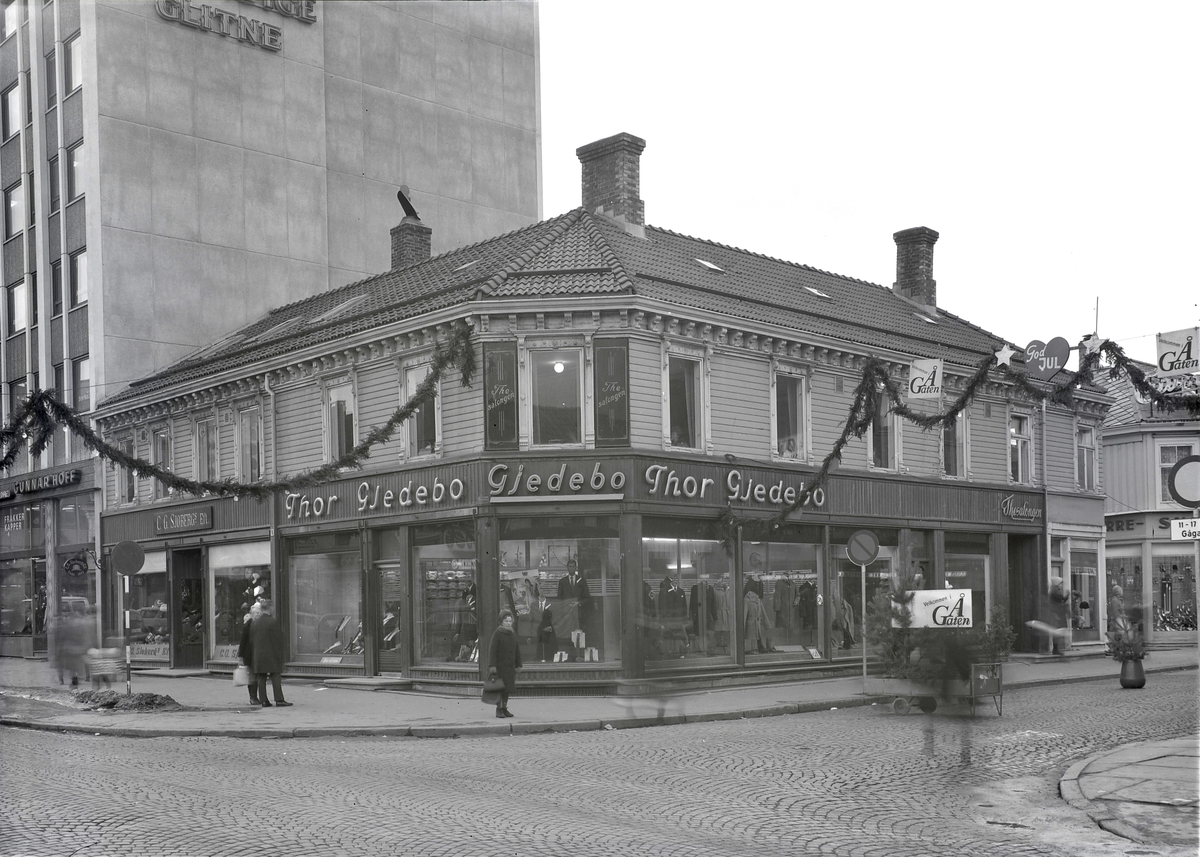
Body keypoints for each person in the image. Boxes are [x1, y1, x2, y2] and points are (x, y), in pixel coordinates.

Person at [247, 599, 291, 707]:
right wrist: (281, 654)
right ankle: (279, 699)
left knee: (261, 678)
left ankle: (264, 700)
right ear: (270, 608)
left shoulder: (255, 622)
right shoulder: (273, 622)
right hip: (271, 654)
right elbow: (279, 639)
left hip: (258, 655)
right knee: (275, 676)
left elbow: (251, 639)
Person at [487, 609, 522, 718]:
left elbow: (517, 650)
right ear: (501, 622)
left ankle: (504, 708)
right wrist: (492, 666)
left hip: (510, 667)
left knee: (507, 689)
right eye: (506, 621)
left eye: (510, 621)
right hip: (500, 667)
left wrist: (518, 664)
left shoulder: (512, 634)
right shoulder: (497, 634)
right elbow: (492, 651)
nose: (508, 623)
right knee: (499, 689)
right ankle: (498, 709)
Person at [236, 602, 263, 705]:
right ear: (252, 613)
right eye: (256, 613)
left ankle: (256, 697)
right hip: (249, 655)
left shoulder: (259, 624)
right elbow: (243, 641)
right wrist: (240, 656)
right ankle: (253, 697)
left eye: (260, 613)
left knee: (256, 676)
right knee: (252, 677)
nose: (258, 615)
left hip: (258, 654)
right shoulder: (248, 624)